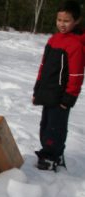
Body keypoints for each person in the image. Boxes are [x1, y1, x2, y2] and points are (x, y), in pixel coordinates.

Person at [32, 0, 85, 171]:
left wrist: (68, 98)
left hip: (61, 96)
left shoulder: (76, 45)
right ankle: (50, 151)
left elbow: (76, 75)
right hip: (47, 93)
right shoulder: (53, 39)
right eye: (59, 20)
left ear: (76, 21)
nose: (62, 24)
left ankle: (53, 156)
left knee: (56, 128)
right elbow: (43, 67)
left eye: (66, 20)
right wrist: (37, 89)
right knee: (45, 126)